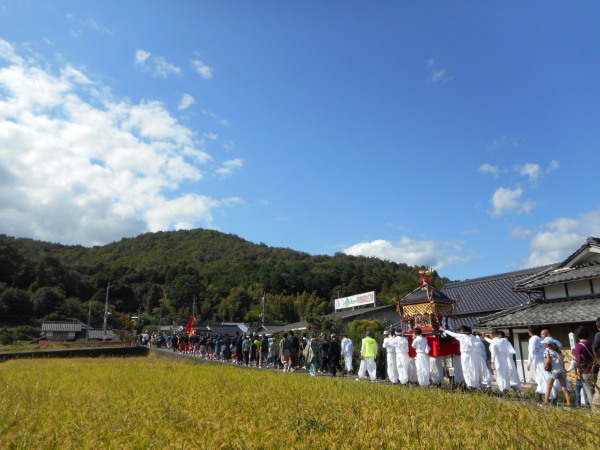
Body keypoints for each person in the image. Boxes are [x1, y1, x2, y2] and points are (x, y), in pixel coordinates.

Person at [542, 337, 572, 406]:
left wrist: (545, 366)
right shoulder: (558, 351)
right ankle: (569, 403)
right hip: (561, 371)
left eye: (545, 343)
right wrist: (564, 369)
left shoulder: (547, 351)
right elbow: (562, 361)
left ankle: (546, 402)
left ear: (547, 344)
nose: (544, 344)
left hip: (553, 371)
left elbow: (548, 360)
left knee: (549, 387)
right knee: (564, 388)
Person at [573, 326, 597, 406]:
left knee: (590, 392)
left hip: (586, 371)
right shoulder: (592, 343)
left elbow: (579, 360)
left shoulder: (579, 346)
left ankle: (595, 410)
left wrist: (579, 373)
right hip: (596, 369)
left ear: (578, 336)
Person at [526, 325, 549, 401]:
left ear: (530, 332)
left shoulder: (533, 339)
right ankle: (542, 396)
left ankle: (541, 396)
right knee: (544, 377)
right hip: (543, 360)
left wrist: (529, 363)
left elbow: (531, 351)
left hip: (538, 361)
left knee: (541, 378)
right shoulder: (541, 339)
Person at [592, 317, 600, 412]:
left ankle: (596, 413)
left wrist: (598, 360)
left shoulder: (598, 335)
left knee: (598, 392)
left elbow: (595, 348)